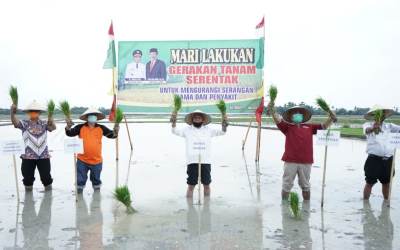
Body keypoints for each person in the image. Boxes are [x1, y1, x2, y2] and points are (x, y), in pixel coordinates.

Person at [268, 103, 336, 200]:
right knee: (286, 185)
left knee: (305, 185)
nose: (297, 114)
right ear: (291, 116)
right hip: (290, 161)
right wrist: (272, 111)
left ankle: (306, 207)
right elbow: (278, 120)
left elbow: (324, 126)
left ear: (303, 116)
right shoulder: (287, 127)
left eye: (299, 113)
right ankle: (284, 207)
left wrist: (331, 118)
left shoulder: (310, 127)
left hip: (306, 161)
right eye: (295, 113)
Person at [170, 109, 228, 197]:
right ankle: (190, 207)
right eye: (195, 118)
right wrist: (173, 123)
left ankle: (207, 206)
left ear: (203, 120)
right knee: (191, 185)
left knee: (207, 184)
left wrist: (224, 125)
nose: (197, 119)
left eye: (199, 118)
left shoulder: (209, 130)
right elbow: (175, 131)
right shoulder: (187, 130)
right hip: (192, 160)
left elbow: (222, 132)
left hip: (205, 160)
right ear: (192, 120)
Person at [65, 107, 119, 193]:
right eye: (90, 116)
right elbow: (69, 133)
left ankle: (96, 198)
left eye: (94, 116)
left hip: (96, 161)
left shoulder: (101, 128)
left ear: (97, 118)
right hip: (82, 160)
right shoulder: (80, 127)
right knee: (80, 180)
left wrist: (116, 130)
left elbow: (112, 135)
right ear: (86, 118)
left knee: (96, 180)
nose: (92, 118)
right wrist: (68, 127)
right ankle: (79, 195)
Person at [10, 100, 55, 191]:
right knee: (27, 178)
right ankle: (28, 197)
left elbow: (52, 128)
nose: (34, 113)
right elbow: (15, 123)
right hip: (28, 156)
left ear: (39, 113)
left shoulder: (44, 123)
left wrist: (51, 118)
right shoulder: (25, 123)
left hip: (43, 156)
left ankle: (49, 196)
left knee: (46, 177)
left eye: (36, 111)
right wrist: (12, 113)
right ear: (29, 113)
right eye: (32, 111)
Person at [362, 105, 400, 201]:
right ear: (374, 115)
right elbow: (367, 131)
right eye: (378, 114)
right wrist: (373, 128)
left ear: (384, 116)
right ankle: (365, 204)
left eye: (383, 114)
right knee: (369, 182)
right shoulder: (368, 125)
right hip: (373, 160)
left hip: (388, 160)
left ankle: (386, 202)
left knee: (386, 183)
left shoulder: (389, 126)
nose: (381, 116)